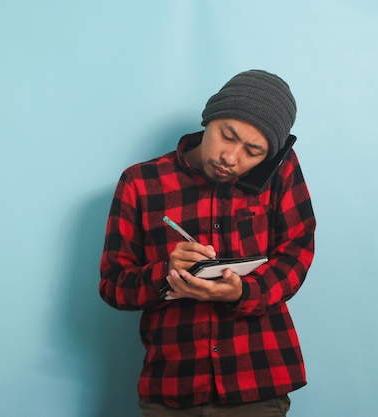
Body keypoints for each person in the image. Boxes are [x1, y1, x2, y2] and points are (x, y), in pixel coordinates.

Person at [99, 69, 316, 416]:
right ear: (209, 119)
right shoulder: (140, 182)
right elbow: (112, 286)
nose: (231, 158)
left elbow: (297, 254)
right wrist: (165, 273)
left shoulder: (280, 174)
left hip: (257, 379)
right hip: (173, 386)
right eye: (227, 136)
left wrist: (243, 292)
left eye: (253, 151)